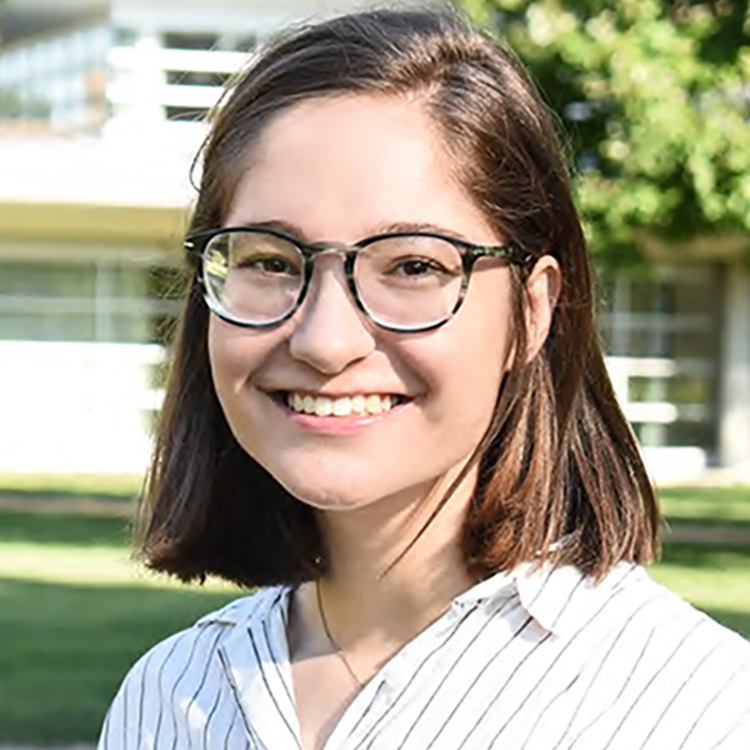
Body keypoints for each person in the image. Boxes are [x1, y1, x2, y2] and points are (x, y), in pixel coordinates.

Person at [97, 6, 750, 750]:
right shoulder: (173, 692)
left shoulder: (694, 709)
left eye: (413, 266)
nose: (324, 339)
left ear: (533, 310)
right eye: (271, 261)